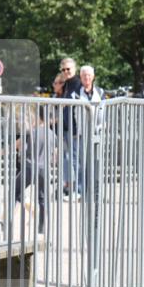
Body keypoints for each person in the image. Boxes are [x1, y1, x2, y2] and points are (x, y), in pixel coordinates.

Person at [58, 57, 84, 197]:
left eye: (68, 69)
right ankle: (74, 188)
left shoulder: (78, 84)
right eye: (63, 69)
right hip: (67, 129)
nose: (66, 71)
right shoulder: (67, 84)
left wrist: (76, 128)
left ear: (74, 69)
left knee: (76, 160)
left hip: (76, 129)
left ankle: (79, 189)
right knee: (70, 160)